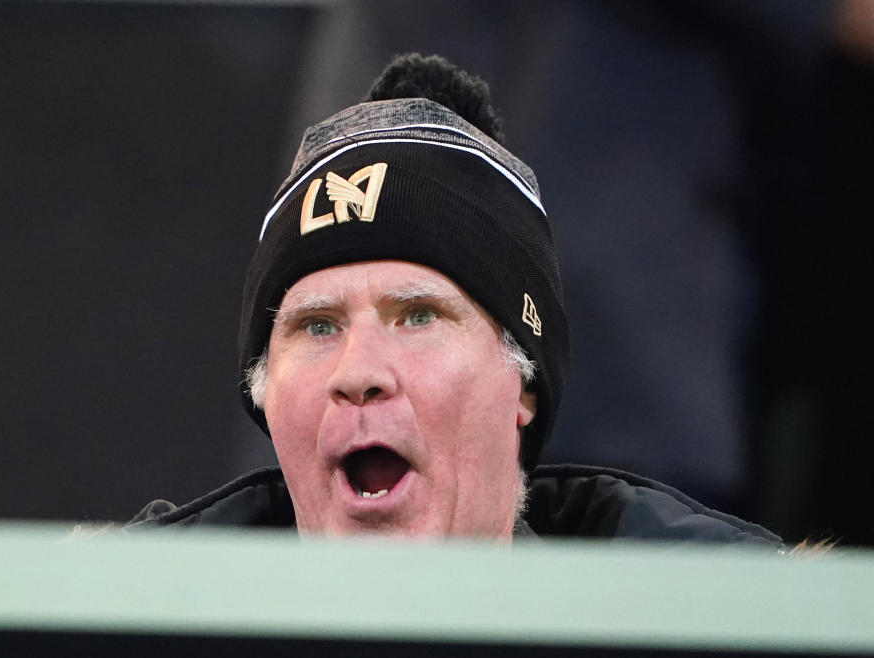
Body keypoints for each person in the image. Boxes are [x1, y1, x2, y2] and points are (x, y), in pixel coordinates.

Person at [127, 54, 781, 546]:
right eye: (318, 326)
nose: (359, 373)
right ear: (264, 396)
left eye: (417, 315)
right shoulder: (124, 632)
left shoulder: (736, 630)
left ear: (522, 381)